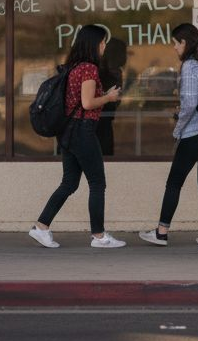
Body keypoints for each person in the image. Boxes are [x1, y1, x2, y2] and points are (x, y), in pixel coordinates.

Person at [29, 25, 126, 249]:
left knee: (69, 183)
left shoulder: (72, 67)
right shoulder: (89, 69)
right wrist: (109, 97)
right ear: (94, 44)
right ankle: (99, 236)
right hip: (83, 130)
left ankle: (41, 227)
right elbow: (88, 103)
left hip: (68, 131)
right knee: (97, 183)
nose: (104, 46)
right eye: (102, 42)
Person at [139, 23, 198, 247]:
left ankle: (161, 232)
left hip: (195, 133)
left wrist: (177, 129)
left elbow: (189, 104)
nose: (173, 48)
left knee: (174, 183)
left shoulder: (189, 66)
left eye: (175, 43)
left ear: (184, 43)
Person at [96, 37, 128, 156]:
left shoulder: (98, 67)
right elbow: (115, 99)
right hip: (104, 120)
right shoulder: (114, 72)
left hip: (92, 121)